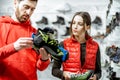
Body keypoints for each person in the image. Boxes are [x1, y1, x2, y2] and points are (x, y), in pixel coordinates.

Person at [0, 0, 51, 80]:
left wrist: (44, 59)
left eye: (32, 9)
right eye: (26, 7)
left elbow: (40, 67)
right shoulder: (1, 26)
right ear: (16, 3)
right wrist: (13, 47)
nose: (28, 12)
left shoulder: (35, 33)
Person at [52, 12, 102, 80]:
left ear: (88, 27)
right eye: (73, 23)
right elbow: (54, 70)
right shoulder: (63, 44)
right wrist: (63, 74)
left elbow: (99, 71)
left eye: (80, 24)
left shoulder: (95, 46)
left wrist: (96, 77)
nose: (75, 27)